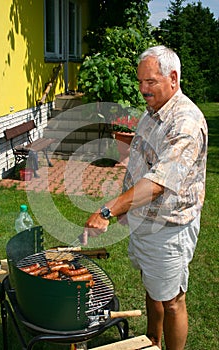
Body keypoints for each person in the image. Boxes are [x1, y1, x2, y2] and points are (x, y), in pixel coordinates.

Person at [82, 45, 208, 350]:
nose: (142, 90)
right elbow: (139, 162)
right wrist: (127, 207)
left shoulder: (186, 124)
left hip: (169, 228)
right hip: (145, 220)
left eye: (150, 82)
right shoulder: (154, 113)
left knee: (173, 299)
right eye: (140, 82)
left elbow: (158, 183)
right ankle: (152, 341)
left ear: (173, 78)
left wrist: (109, 210)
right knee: (154, 288)